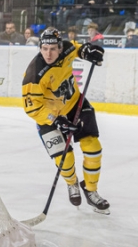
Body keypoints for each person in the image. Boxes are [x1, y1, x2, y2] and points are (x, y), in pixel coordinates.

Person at [21, 28, 109, 214]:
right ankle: (72, 183)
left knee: (93, 148)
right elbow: (32, 108)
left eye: (53, 48)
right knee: (64, 158)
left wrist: (88, 51)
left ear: (60, 47)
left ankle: (91, 191)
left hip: (75, 104)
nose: (48, 53)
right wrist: (55, 120)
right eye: (44, 48)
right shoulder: (34, 75)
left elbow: (79, 49)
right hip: (48, 116)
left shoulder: (67, 48)